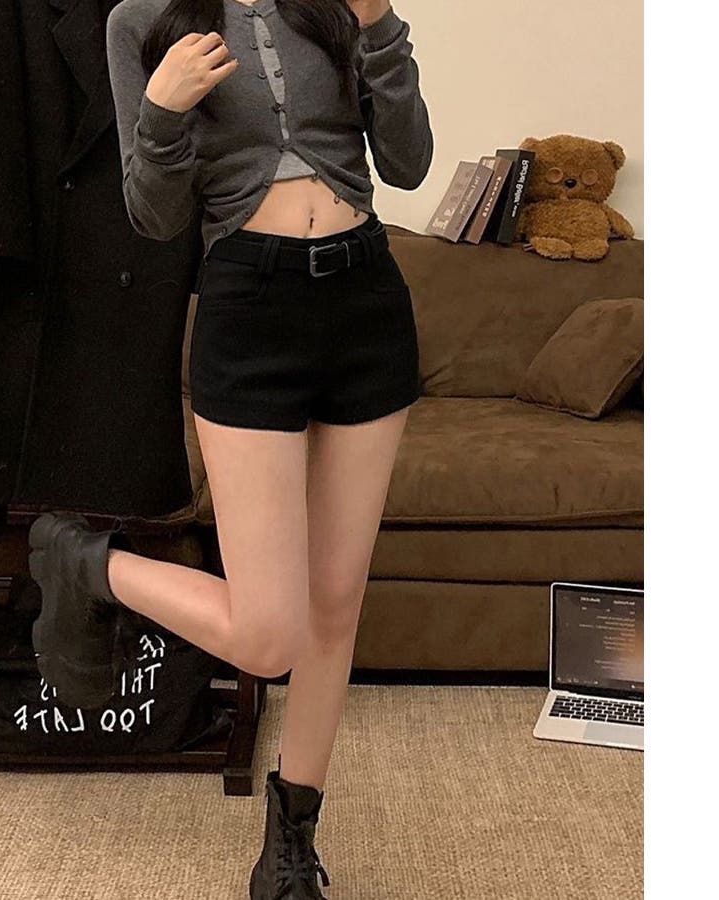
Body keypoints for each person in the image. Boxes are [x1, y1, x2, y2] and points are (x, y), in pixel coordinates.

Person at [28, 0, 433, 896]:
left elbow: (408, 163)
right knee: (266, 633)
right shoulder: (142, 21)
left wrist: (380, 29)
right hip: (248, 312)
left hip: (368, 302)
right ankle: (88, 564)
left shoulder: (334, 7)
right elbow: (154, 216)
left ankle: (291, 841)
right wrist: (162, 111)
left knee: (336, 605)